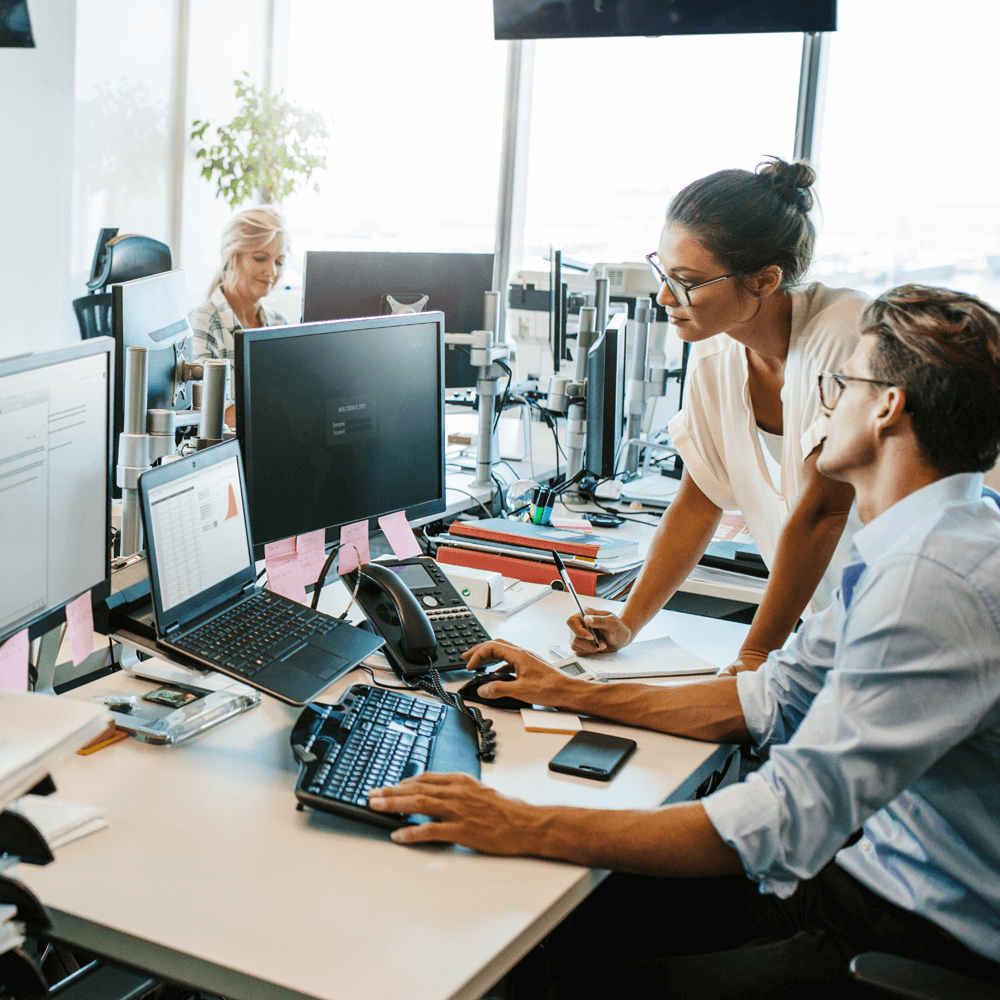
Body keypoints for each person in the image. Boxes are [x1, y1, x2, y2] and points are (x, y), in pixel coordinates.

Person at [369, 285, 1000, 995]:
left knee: (569, 980)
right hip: (863, 878)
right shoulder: (920, 540)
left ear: (888, 407)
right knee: (561, 929)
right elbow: (771, 699)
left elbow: (782, 819)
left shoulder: (932, 576)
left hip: (917, 938)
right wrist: (573, 693)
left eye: (841, 383)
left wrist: (523, 821)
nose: (823, 403)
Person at [568, 158, 866, 674]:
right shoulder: (716, 351)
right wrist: (628, 622)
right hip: (838, 622)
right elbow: (698, 500)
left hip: (915, 615)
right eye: (664, 273)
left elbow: (824, 516)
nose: (665, 296)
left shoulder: (843, 338)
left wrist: (754, 655)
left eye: (687, 281)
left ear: (765, 280)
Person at [189, 205, 289, 425]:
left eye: (279, 261)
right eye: (261, 258)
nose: (272, 272)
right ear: (232, 257)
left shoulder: (281, 324)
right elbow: (218, 416)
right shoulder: (202, 324)